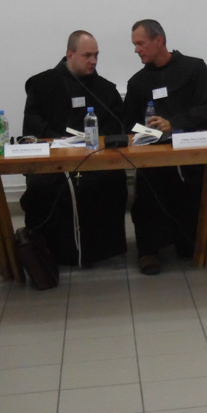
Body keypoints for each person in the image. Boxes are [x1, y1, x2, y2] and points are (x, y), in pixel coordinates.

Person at [19, 30, 128, 266]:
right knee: (44, 187)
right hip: (55, 161)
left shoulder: (105, 89)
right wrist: (58, 140)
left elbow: (117, 124)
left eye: (96, 55)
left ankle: (100, 251)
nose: (94, 61)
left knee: (111, 180)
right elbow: (33, 125)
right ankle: (51, 251)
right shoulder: (42, 84)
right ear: (70, 55)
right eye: (87, 55)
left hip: (95, 160)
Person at [123, 20, 207, 275]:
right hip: (155, 156)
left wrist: (174, 123)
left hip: (193, 152)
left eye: (140, 44)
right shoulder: (137, 83)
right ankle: (148, 250)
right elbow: (129, 125)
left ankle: (192, 239)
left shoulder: (194, 68)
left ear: (159, 41)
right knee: (148, 185)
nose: (136, 50)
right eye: (134, 44)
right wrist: (147, 132)